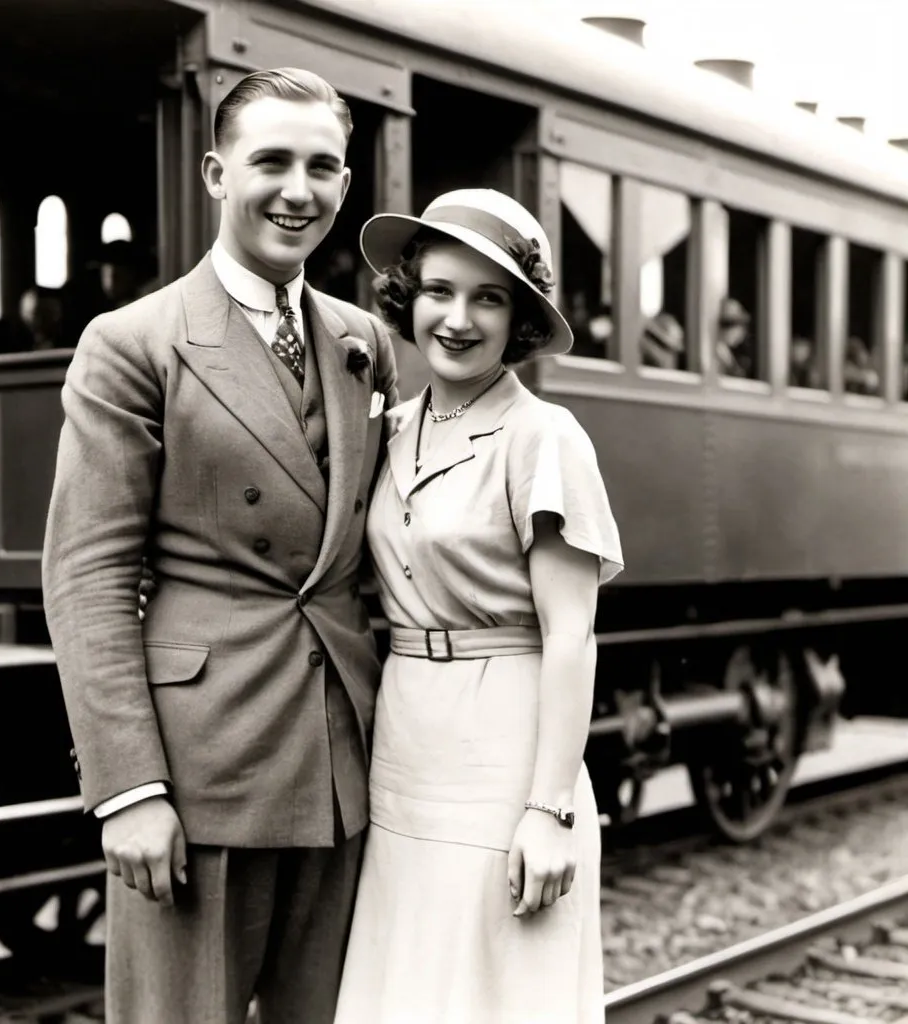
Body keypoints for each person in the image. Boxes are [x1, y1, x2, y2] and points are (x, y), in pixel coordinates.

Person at [41, 67, 398, 1024]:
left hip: (339, 760)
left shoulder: (364, 340)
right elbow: (88, 577)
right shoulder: (134, 343)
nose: (298, 190)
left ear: (346, 185)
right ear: (214, 172)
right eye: (270, 161)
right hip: (203, 769)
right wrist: (127, 790)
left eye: (323, 166)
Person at [334, 189, 624, 1024]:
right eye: (438, 291)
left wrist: (550, 808)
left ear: (519, 319)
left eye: (487, 298)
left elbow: (572, 636)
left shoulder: (547, 438)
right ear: (408, 298)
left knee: (498, 991)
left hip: (505, 749)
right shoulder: (388, 431)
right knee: (410, 985)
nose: (457, 319)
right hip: (407, 744)